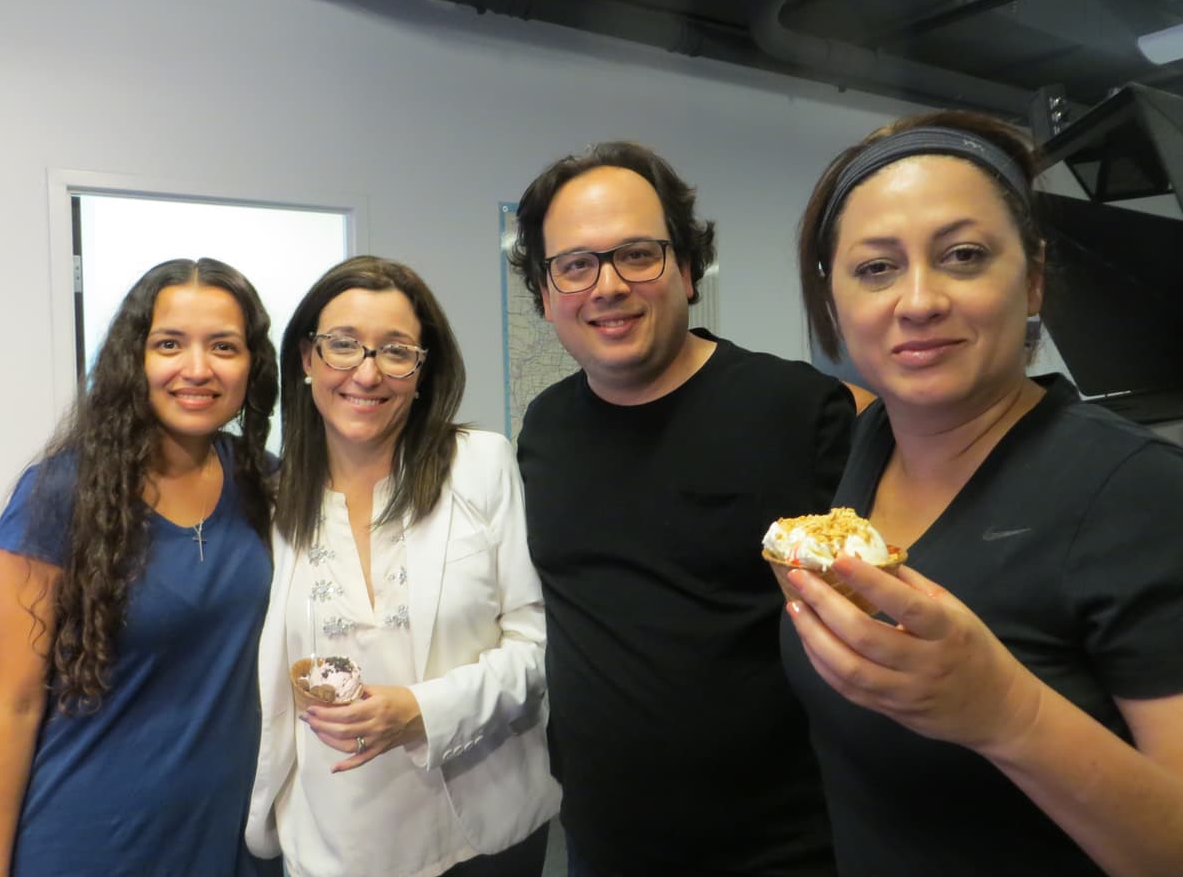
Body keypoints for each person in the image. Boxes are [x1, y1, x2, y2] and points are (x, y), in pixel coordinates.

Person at [781, 110, 1183, 876]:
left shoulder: (1140, 496)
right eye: (876, 268)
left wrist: (1009, 713)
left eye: (963, 256)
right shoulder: (873, 446)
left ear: (1031, 278)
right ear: (834, 304)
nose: (919, 300)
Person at [507, 142, 855, 876]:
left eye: (637, 253)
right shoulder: (544, 429)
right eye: (573, 265)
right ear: (544, 293)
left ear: (689, 269)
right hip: (603, 845)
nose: (606, 286)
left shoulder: (797, 410)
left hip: (783, 849)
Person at [245, 256, 559, 877]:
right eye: (343, 346)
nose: (367, 372)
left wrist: (422, 708)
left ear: (422, 371)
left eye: (395, 351)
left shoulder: (479, 465)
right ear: (307, 360)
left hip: (482, 824)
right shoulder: (272, 499)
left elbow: (537, 644)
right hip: (336, 837)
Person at [0, 258, 281, 876]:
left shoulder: (266, 482)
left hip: (237, 836)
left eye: (223, 346)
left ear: (252, 364)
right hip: (95, 840)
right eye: (170, 344)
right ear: (134, 358)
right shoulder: (58, 494)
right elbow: (15, 704)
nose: (197, 369)